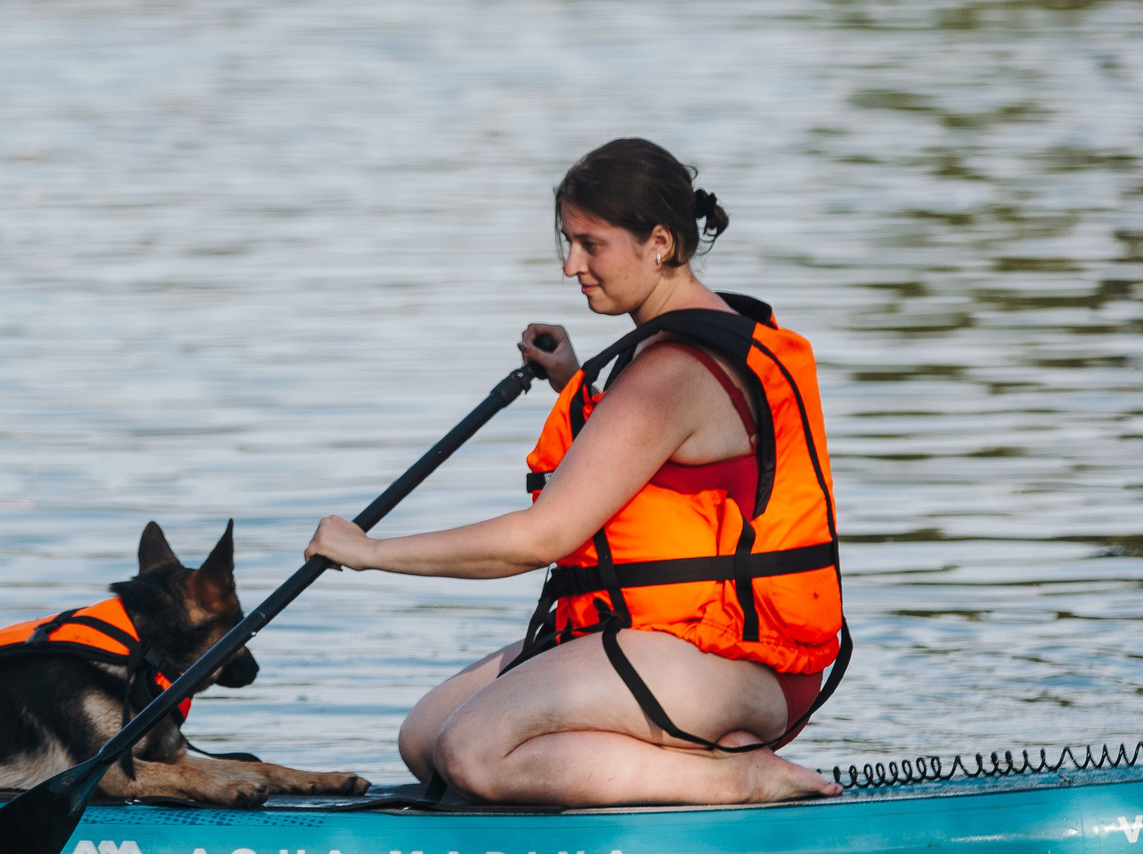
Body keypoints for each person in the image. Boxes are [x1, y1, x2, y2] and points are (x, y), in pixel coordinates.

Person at [305, 139, 848, 807]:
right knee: (424, 740)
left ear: (658, 242)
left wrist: (373, 552)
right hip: (676, 646)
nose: (571, 266)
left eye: (591, 244)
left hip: (738, 664)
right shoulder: (675, 342)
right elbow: (653, 466)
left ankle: (733, 775)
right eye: (568, 241)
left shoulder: (674, 370)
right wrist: (572, 378)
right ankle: (683, 749)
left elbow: (543, 538)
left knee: (472, 749)